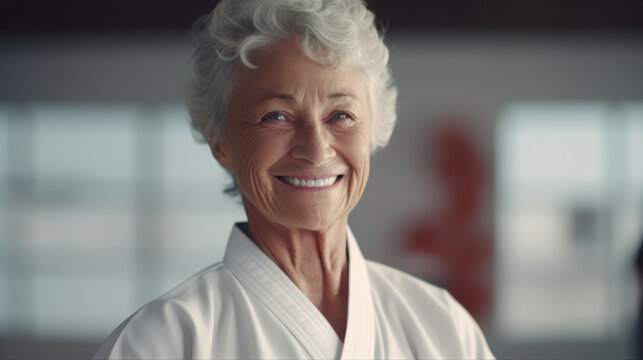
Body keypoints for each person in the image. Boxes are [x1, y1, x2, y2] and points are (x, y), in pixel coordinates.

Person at [94, 0, 495, 358]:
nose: (317, 150)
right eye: (276, 117)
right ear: (220, 142)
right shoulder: (164, 342)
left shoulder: (442, 326)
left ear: (373, 130)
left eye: (341, 115)